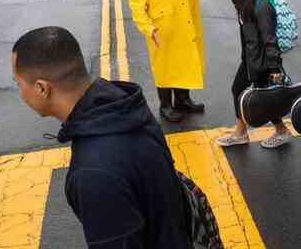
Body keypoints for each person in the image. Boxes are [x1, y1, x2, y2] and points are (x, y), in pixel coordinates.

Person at [11, 27, 189, 249]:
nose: (20, 93)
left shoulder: (93, 171)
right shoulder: (127, 108)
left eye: (18, 84)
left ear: (41, 88)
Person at [216, 0, 293, 148]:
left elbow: (269, 39)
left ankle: (269, 131)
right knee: (253, 95)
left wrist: (274, 68)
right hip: (250, 59)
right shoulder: (243, 0)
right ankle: (249, 132)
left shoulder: (261, 4)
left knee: (258, 97)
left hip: (263, 62)